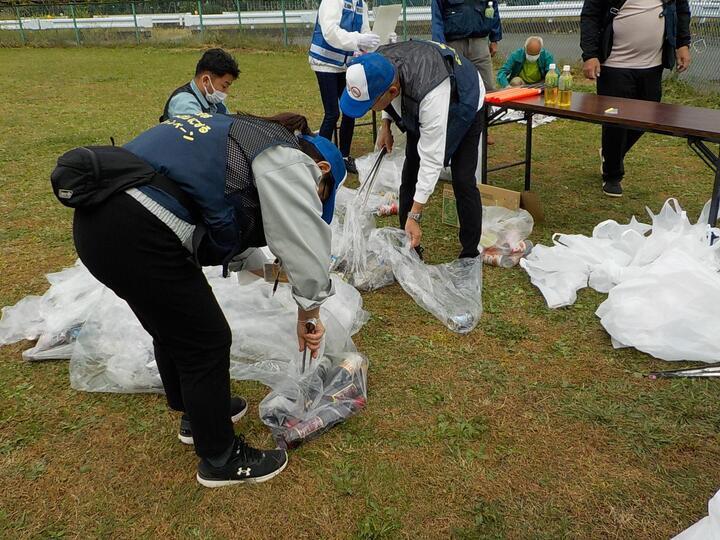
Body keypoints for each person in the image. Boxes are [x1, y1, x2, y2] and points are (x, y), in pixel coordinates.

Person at [72, 112, 346, 487]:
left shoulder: (242, 136)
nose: (315, 204)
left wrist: (274, 273)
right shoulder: (287, 160)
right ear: (321, 168)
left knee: (172, 326)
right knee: (207, 340)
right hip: (137, 231)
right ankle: (221, 458)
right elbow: (305, 243)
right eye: (322, 196)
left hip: (98, 225)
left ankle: (197, 415)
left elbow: (230, 229)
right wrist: (309, 313)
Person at [339, 41, 486, 260]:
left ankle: (470, 252)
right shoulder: (377, 63)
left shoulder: (430, 93)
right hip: (419, 102)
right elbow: (385, 99)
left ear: (392, 91)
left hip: (465, 100)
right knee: (409, 173)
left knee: (463, 179)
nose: (369, 109)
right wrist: (385, 124)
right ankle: (407, 244)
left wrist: (415, 215)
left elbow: (432, 160)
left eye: (369, 105)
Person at [581, 0, 691, 197]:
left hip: (652, 63)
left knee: (649, 118)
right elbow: (590, 15)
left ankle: (611, 154)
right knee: (615, 120)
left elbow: (681, 9)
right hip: (614, 63)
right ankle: (612, 175)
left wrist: (683, 43)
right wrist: (590, 55)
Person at [308, 0, 379, 174]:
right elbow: (331, 32)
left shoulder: (360, 3)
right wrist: (358, 39)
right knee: (332, 113)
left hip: (345, 64)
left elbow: (365, 33)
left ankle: (344, 157)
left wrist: (377, 40)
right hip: (324, 62)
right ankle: (320, 158)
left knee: (349, 110)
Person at [159, 48, 240, 122]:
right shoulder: (184, 104)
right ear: (206, 80)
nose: (226, 92)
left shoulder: (214, 100)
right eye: (224, 86)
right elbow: (200, 136)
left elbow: (230, 125)